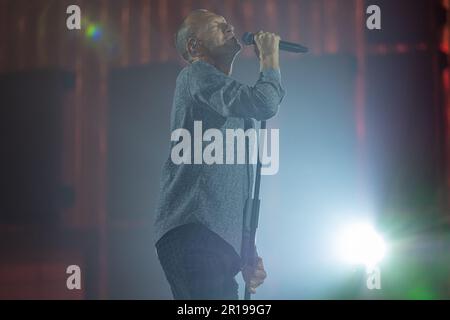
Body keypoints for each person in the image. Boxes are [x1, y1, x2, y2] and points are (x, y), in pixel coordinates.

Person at [154, 9, 285, 300]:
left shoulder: (224, 100)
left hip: (210, 240)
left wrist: (245, 250)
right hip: (195, 232)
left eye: (229, 23)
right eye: (218, 26)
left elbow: (227, 184)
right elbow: (264, 102)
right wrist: (269, 59)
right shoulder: (196, 74)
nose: (230, 27)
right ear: (194, 47)